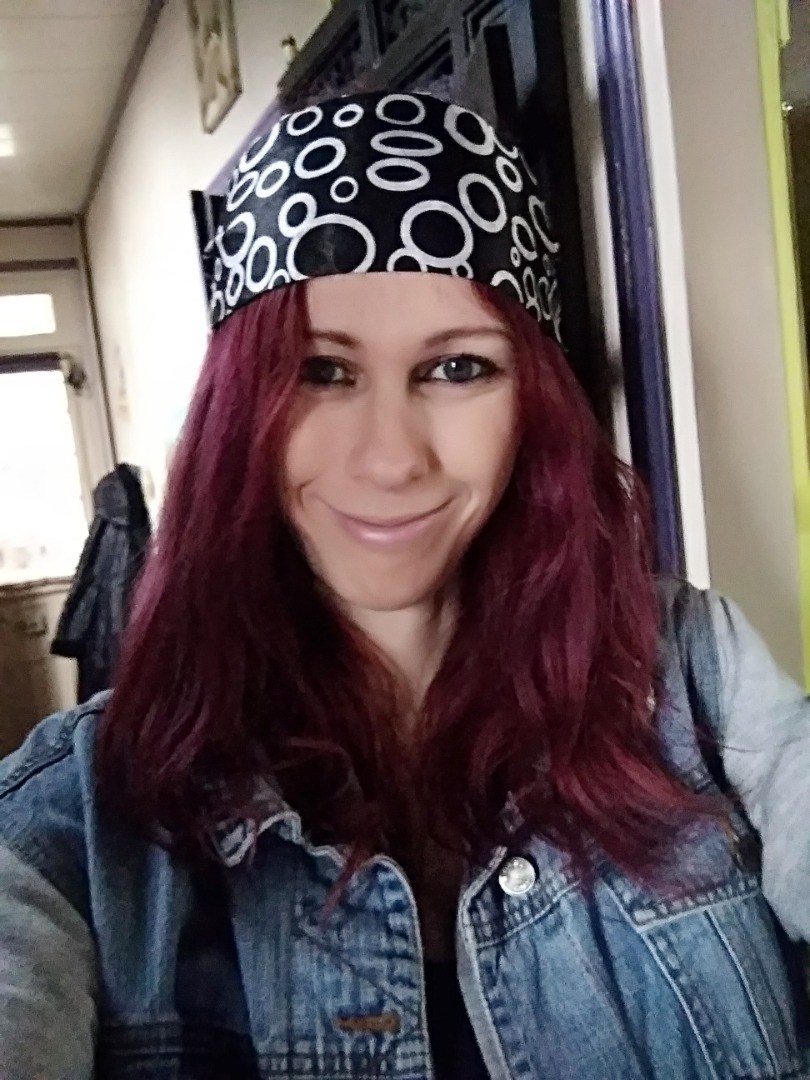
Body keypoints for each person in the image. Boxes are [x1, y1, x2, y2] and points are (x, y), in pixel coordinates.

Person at [0, 90, 808, 1080]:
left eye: (458, 367)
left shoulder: (692, 676)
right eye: (322, 372)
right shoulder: (78, 823)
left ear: (533, 406)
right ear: (238, 410)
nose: (390, 460)